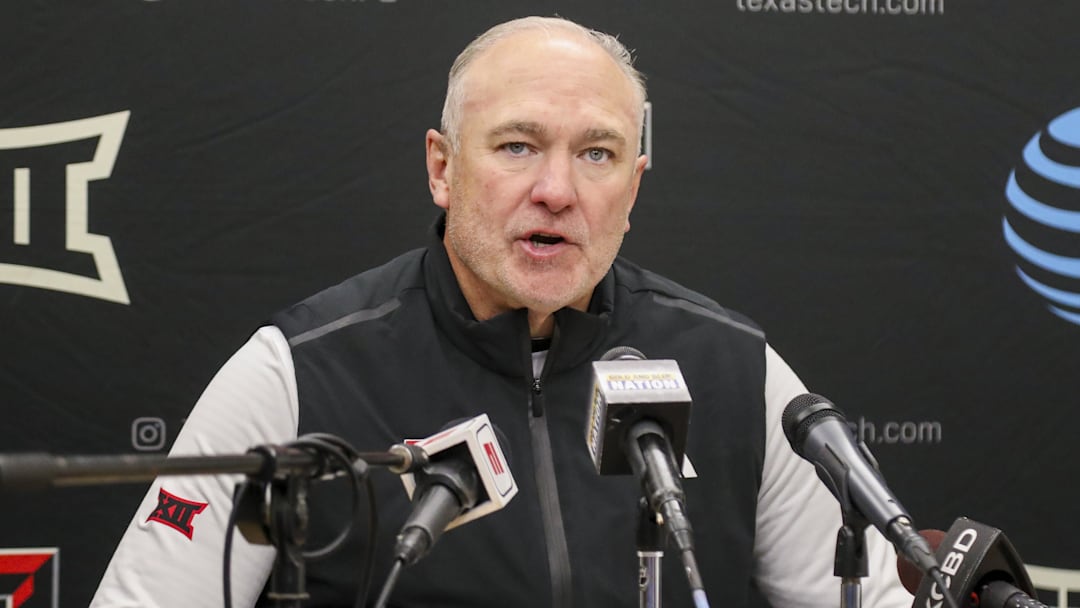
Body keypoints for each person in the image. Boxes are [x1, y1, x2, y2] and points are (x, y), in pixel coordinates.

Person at [91, 16, 913, 608]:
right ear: (442, 168)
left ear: (635, 183)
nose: (557, 190)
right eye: (517, 146)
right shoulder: (297, 374)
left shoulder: (737, 371)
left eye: (598, 153)